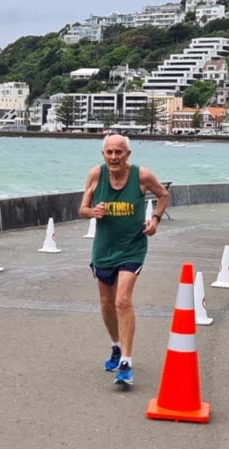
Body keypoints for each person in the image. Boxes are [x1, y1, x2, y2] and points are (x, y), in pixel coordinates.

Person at [79, 134, 169, 386]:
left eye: (119, 152)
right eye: (109, 152)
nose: (114, 157)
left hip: (133, 248)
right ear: (103, 154)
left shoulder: (142, 176)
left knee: (122, 300)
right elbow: (82, 209)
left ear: (128, 155)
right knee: (107, 303)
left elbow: (163, 195)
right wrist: (92, 212)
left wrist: (155, 220)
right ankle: (116, 346)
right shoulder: (96, 175)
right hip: (104, 250)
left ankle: (126, 363)